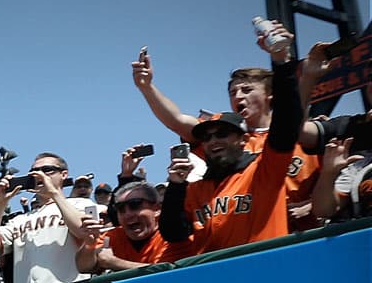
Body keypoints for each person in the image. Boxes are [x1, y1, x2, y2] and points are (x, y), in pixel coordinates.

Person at [132, 40, 321, 231]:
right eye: (233, 92)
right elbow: (178, 120)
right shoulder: (223, 138)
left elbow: (337, 176)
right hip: (242, 226)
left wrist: (312, 205)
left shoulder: (303, 136)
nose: (238, 96)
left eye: (247, 90)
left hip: (302, 232)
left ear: (270, 94)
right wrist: (147, 87)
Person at [160, 23, 301, 254]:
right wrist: (176, 186)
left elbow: (287, 122)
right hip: (218, 280)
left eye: (223, 134)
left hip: (267, 271)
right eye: (206, 137)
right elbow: (173, 233)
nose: (214, 141)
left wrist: (281, 63)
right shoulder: (196, 189)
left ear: (243, 140)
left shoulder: (264, 170)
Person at [0, 152, 94, 283]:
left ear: (64, 174)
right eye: (33, 172)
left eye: (47, 170)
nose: (39, 175)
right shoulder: (20, 219)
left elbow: (84, 232)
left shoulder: (82, 204)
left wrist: (54, 193)